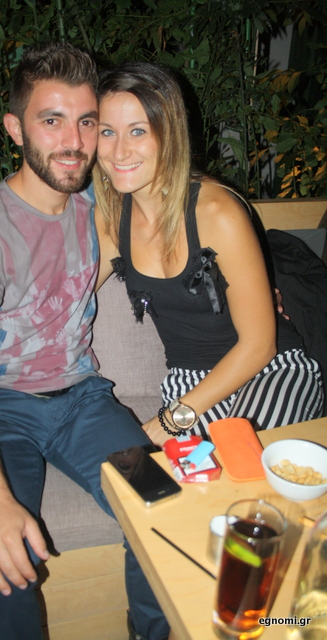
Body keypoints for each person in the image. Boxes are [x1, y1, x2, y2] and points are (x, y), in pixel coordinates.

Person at [0, 43, 169, 640]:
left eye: (86, 122)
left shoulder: (96, 201)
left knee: (162, 507)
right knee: (2, 561)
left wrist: (257, 277)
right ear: (16, 129)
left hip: (83, 401)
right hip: (3, 409)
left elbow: (178, 211)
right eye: (52, 120)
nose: (74, 142)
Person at [93, 61, 324, 446]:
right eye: (106, 132)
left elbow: (259, 345)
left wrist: (171, 420)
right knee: (171, 477)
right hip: (188, 381)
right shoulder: (111, 216)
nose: (119, 150)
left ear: (169, 134)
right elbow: (70, 298)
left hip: (269, 370)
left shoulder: (218, 212)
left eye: (138, 130)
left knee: (245, 462)